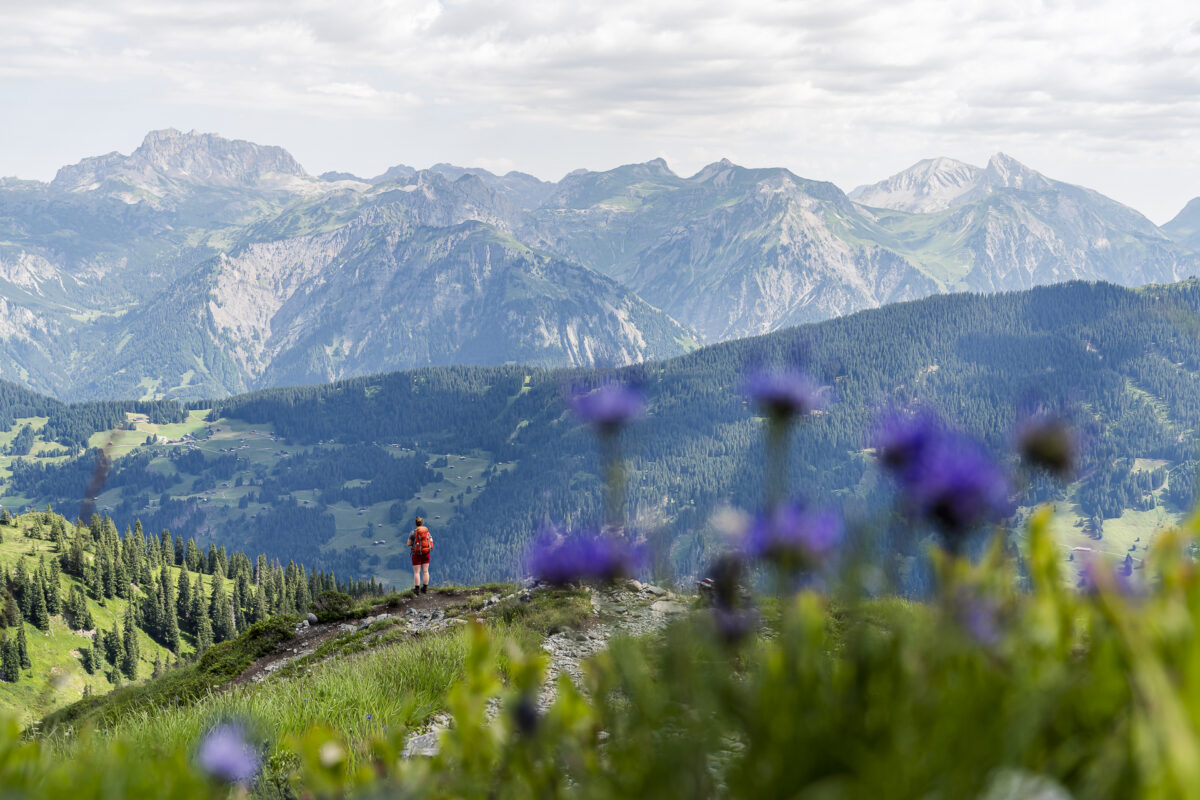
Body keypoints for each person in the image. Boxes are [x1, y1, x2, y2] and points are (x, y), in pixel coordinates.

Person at [408, 516, 432, 594]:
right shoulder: (427, 532)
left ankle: (417, 589)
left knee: (417, 572)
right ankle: (425, 588)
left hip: (416, 554)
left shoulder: (413, 532)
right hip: (426, 553)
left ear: (416, 523)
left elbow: (409, 544)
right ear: (422, 523)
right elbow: (431, 541)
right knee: (425, 571)